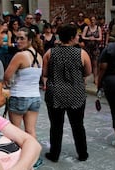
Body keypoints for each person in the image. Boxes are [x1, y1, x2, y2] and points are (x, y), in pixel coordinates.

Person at [42, 24, 92, 162]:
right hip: (76, 93)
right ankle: (82, 153)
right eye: (76, 35)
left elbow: (45, 73)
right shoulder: (82, 53)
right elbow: (88, 71)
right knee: (78, 125)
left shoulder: (50, 53)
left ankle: (54, 154)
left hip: (55, 93)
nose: (78, 37)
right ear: (71, 38)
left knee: (56, 126)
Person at [4, 27, 43, 168]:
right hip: (34, 98)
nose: (18, 41)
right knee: (31, 131)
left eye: (22, 38)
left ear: (30, 40)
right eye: (17, 38)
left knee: (16, 132)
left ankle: (20, 160)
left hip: (19, 96)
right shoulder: (39, 55)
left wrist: (8, 83)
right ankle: (34, 159)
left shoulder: (20, 56)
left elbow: (6, 76)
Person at [82, 15, 102, 86]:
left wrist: (95, 39)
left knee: (95, 64)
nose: (93, 21)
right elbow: (83, 36)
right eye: (91, 20)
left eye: (94, 20)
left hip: (95, 48)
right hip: (87, 48)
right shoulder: (86, 28)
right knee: (85, 63)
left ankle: (95, 79)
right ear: (89, 21)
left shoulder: (98, 28)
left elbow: (100, 38)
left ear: (96, 21)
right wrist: (89, 38)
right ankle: (83, 79)